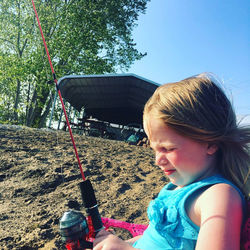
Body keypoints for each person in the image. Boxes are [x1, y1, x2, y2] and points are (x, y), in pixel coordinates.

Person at [93, 73, 250, 250]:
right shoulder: (174, 188)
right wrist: (119, 243)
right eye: (154, 149)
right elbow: (154, 237)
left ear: (210, 143)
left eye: (168, 149)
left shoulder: (218, 196)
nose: (158, 160)